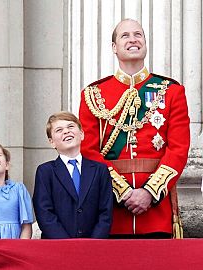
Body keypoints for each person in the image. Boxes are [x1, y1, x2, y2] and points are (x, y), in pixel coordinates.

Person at [79, 19, 190, 238]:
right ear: (114, 47)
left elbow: (178, 149)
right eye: (125, 36)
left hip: (156, 210)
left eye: (138, 35)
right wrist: (123, 192)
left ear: (145, 43)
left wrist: (149, 192)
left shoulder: (171, 91)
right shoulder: (93, 94)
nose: (133, 40)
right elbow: (88, 150)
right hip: (110, 210)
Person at [33, 112, 113, 238]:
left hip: (94, 246)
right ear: (52, 142)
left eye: (70, 127)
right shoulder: (46, 171)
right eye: (59, 130)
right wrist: (67, 245)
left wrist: (94, 242)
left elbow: (105, 211)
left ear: (81, 134)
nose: (66, 131)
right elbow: (44, 212)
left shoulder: (100, 170)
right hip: (58, 247)